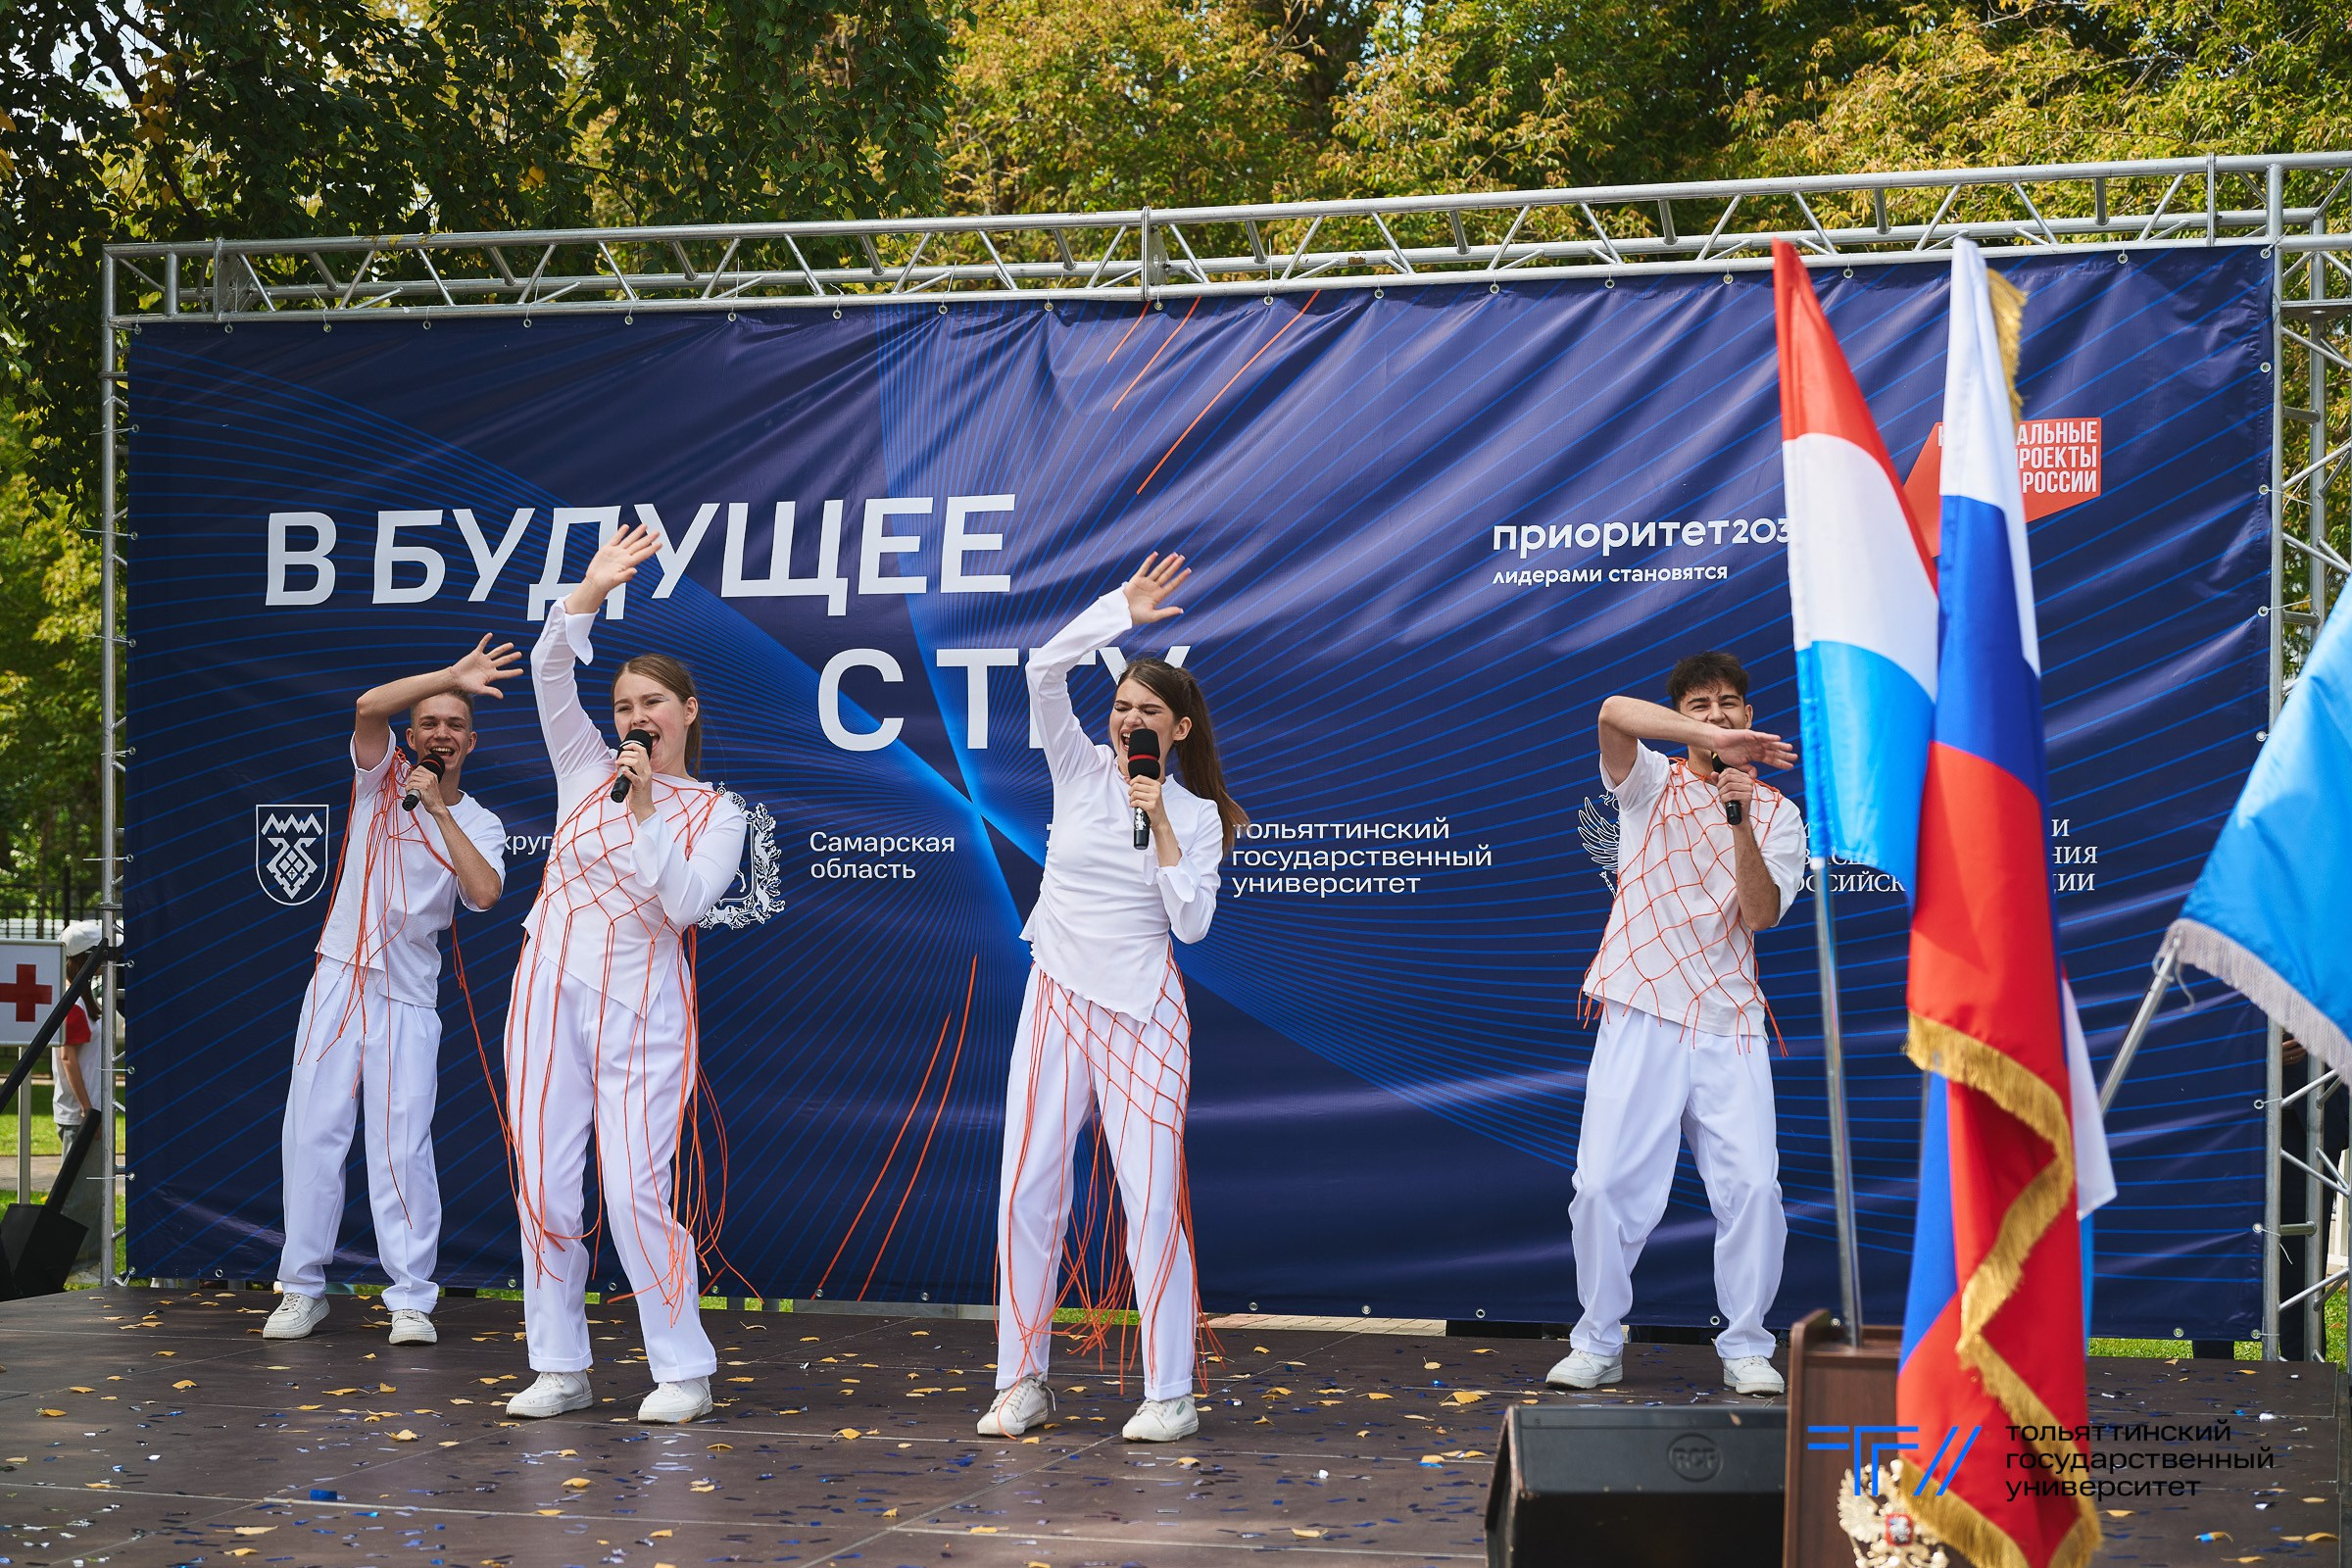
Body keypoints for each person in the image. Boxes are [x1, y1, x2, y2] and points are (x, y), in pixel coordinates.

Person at [978, 553, 1246, 1446]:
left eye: (1148, 712)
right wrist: (1116, 612)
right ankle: (1022, 1380)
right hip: (1055, 989)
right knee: (1029, 1191)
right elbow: (1041, 670)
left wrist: (1162, 820)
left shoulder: (1197, 814)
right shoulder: (1078, 767)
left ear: (1177, 730)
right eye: (1123, 704)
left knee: (1151, 1195)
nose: (1130, 718)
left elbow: (1193, 924)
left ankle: (1168, 1389)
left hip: (1141, 1007)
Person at [501, 522, 747, 1427]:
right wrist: (587, 593)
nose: (634, 716)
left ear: (685, 711)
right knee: (544, 1179)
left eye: (651, 701)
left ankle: (682, 1367)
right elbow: (546, 672)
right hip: (549, 983)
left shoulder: (714, 812)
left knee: (636, 1184)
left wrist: (647, 809)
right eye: (624, 705)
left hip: (642, 1000)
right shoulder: (582, 767)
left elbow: (681, 905)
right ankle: (559, 1363)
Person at [1549, 651, 1806, 1396]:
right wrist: (1709, 747)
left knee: (1754, 1189)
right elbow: (1611, 712)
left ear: (1752, 715)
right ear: (1682, 717)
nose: (1720, 714)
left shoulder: (1780, 815)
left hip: (1728, 1022)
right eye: (1701, 705)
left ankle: (1748, 1344)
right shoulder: (1649, 782)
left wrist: (1740, 817)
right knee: (1601, 1188)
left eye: (1732, 703)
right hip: (1641, 1009)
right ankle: (1597, 1339)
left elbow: (1759, 915)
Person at [266, 642, 515, 1345]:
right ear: (413, 736)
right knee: (312, 1135)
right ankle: (302, 1288)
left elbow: (486, 893)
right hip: (339, 976)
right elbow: (367, 706)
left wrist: (438, 812)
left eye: (454, 724)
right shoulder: (379, 781)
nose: (440, 733)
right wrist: (451, 676)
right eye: (430, 722)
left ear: (471, 741)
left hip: (408, 996)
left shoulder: (482, 822)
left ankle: (410, 1297)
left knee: (401, 1147)